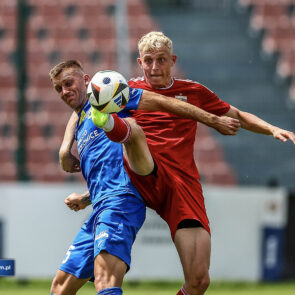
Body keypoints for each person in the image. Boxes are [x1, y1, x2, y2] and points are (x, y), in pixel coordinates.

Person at [60, 32, 295, 295]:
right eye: (148, 61)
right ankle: (113, 125)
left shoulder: (193, 91)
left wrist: (272, 128)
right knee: (134, 131)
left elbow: (237, 115)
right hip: (141, 173)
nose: (154, 67)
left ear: (172, 60)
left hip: (180, 184)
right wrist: (65, 149)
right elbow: (86, 106)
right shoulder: (127, 90)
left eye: (161, 60)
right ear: (140, 62)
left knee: (198, 281)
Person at [50, 59, 240, 295]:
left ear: (88, 81)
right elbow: (104, 163)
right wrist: (66, 154)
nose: (65, 91)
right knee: (60, 287)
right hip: (99, 205)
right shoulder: (81, 121)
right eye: (59, 88)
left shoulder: (111, 98)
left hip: (121, 200)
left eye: (69, 83)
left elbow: (164, 103)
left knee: (106, 280)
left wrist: (212, 120)